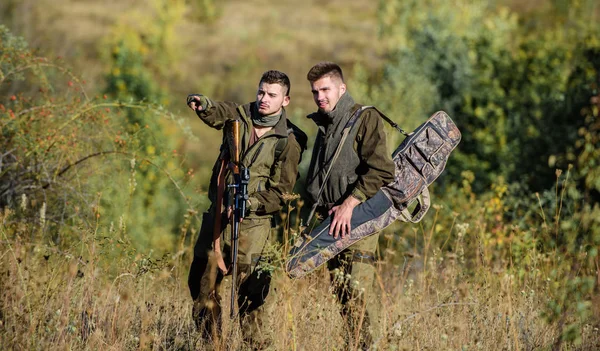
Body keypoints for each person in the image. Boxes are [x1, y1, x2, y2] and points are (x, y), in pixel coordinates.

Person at [186, 70, 304, 346]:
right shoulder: (239, 116)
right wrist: (202, 103)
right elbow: (217, 112)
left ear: (285, 100)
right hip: (217, 222)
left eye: (272, 95)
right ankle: (212, 343)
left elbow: (282, 193)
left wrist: (250, 203)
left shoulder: (288, 141)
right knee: (202, 287)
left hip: (254, 228)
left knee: (251, 300)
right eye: (261, 92)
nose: (263, 99)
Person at [304, 62, 395, 347]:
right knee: (344, 297)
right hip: (332, 223)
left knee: (358, 293)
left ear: (342, 88)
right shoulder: (326, 123)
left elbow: (382, 170)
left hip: (357, 219)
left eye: (325, 89)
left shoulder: (364, 118)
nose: (320, 96)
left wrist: (350, 203)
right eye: (315, 91)